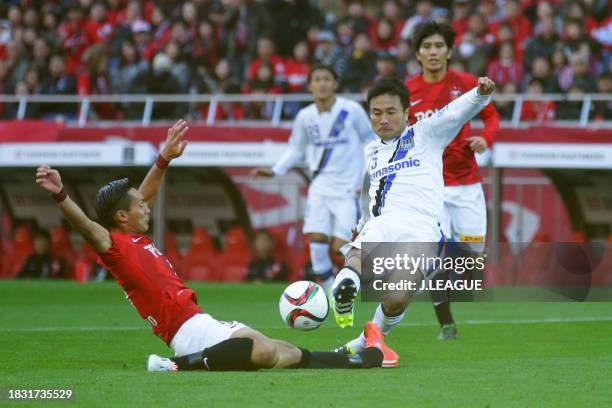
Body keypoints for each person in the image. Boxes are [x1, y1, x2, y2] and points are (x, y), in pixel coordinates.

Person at [35, 119, 388, 372]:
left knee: (284, 351)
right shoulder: (113, 247)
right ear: (122, 217)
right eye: (138, 205)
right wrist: (62, 194)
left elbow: (147, 192)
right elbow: (85, 225)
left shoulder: (135, 235)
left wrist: (164, 159)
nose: (146, 205)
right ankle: (174, 365)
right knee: (260, 351)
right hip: (184, 332)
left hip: (200, 318)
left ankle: (353, 360)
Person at [331, 77, 496, 366]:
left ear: (407, 112)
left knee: (397, 298)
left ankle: (361, 341)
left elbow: (455, 111)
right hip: (383, 222)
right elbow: (367, 192)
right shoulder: (370, 151)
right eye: (376, 112)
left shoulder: (427, 133)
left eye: (391, 112)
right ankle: (346, 284)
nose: (383, 119)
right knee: (359, 254)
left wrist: (480, 94)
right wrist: (361, 222)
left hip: (422, 228)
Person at [406, 21, 500, 340]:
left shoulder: (468, 84)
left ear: (449, 51)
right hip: (430, 187)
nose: (433, 52)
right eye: (427, 47)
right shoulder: (407, 92)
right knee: (435, 254)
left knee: (473, 260)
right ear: (417, 54)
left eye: (438, 46)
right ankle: (446, 323)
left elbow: (491, 115)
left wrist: (485, 138)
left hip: (467, 183)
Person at [251, 64, 376, 295]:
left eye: (326, 79)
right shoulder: (304, 117)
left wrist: (373, 170)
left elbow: (371, 139)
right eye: (317, 79)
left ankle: (366, 279)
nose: (322, 84)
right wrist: (276, 170)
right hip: (319, 187)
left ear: (335, 84)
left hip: (348, 190)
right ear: (310, 85)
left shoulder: (351, 110)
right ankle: (331, 294)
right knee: (316, 239)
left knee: (342, 246)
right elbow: (296, 150)